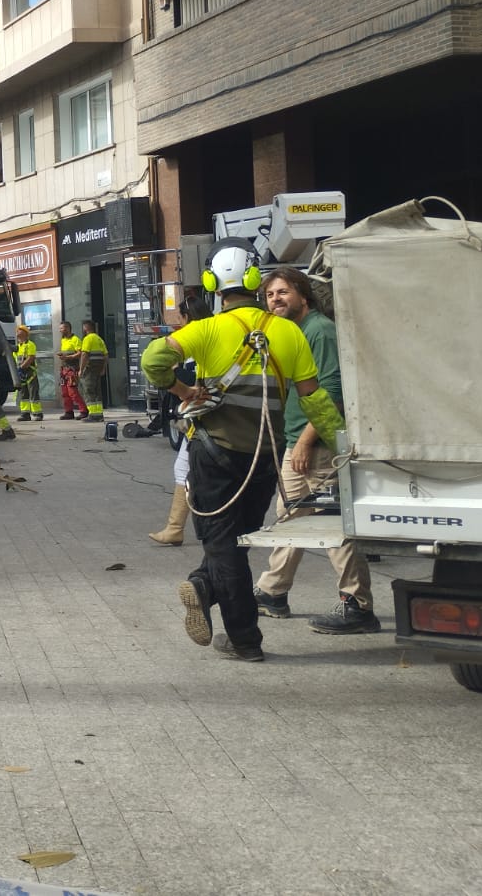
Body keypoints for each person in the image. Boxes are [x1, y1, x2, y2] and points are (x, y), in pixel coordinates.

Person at [141, 238, 344, 662]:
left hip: (214, 452)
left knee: (222, 546)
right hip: (266, 456)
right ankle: (203, 586)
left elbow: (152, 361)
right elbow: (315, 399)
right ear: (255, 279)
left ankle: (244, 638)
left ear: (213, 282)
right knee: (237, 542)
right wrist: (343, 445)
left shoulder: (206, 329)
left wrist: (184, 390)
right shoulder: (289, 332)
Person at [252, 268, 379, 634]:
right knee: (293, 516)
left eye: (283, 292)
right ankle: (272, 592)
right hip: (301, 439)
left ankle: (357, 605)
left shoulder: (318, 331)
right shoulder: (295, 332)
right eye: (270, 294)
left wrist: (306, 442)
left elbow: (333, 392)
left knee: (329, 522)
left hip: (318, 444)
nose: (275, 299)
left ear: (302, 296)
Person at [148, 292, 212, 546]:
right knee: (185, 464)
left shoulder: (194, 334)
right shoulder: (215, 328)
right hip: (201, 411)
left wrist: (177, 377)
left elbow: (159, 365)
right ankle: (176, 528)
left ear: (187, 316)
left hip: (202, 410)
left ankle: (177, 528)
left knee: (186, 468)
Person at [77, 319, 108, 421]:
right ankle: (99, 414)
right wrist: (103, 368)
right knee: (97, 390)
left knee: (88, 390)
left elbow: (85, 354)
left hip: (90, 367)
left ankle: (93, 415)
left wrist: (81, 369)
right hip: (98, 367)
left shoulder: (88, 339)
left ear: (85, 328)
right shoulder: (99, 339)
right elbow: (105, 355)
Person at [13, 325, 44, 422]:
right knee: (23, 394)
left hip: (30, 373)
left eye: (20, 331)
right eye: (17, 331)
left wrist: (21, 368)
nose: (18, 333)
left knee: (33, 393)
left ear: (25, 333)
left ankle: (37, 413)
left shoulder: (30, 344)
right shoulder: (17, 347)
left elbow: (31, 358)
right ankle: (25, 414)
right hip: (21, 373)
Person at [56, 321, 83, 419]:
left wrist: (69, 357)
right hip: (64, 369)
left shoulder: (75, 339)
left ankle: (84, 411)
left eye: (62, 328)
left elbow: (80, 353)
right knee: (65, 393)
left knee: (73, 392)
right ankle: (69, 412)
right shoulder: (63, 340)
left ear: (67, 328)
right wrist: (62, 355)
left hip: (72, 370)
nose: (60, 330)